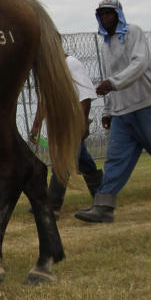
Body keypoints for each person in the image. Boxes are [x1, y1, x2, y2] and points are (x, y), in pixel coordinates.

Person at [74, 0, 151, 223]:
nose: (105, 18)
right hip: (122, 113)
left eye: (109, 13)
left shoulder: (133, 33)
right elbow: (108, 80)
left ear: (119, 14)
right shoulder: (105, 44)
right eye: (101, 14)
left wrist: (112, 82)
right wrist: (108, 111)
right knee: (115, 159)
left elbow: (139, 64)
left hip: (147, 106)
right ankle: (104, 207)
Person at [30, 53, 104, 216]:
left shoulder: (70, 63)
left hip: (73, 121)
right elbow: (44, 100)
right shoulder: (46, 71)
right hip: (59, 124)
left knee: (66, 158)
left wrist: (83, 120)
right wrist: (36, 126)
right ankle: (102, 195)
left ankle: (52, 204)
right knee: (83, 161)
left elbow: (85, 94)